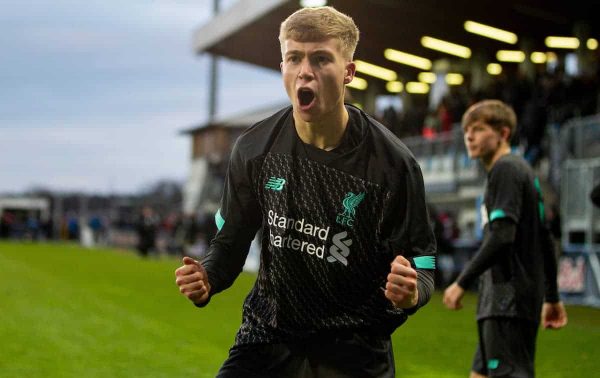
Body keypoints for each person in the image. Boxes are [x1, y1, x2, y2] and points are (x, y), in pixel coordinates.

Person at [175, 6, 436, 377]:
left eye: (320, 59)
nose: (305, 71)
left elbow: (424, 264)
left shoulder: (394, 165)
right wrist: (208, 277)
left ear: (348, 72)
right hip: (267, 336)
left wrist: (411, 293)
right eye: (293, 58)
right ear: (282, 67)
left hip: (354, 349)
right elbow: (230, 242)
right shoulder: (254, 149)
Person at [443, 100, 568, 378]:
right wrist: (552, 296)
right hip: (508, 301)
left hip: (506, 301)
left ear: (503, 133)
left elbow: (502, 237)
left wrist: (461, 282)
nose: (469, 136)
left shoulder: (506, 170)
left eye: (478, 129)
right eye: (466, 131)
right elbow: (545, 238)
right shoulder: (523, 171)